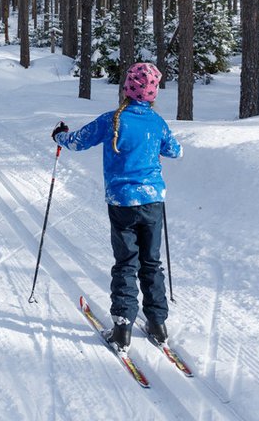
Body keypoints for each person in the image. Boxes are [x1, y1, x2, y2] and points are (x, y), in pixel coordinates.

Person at [51, 62, 182, 351]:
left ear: (127, 90)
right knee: (151, 262)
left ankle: (122, 329)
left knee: (126, 262)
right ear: (152, 94)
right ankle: (157, 325)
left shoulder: (113, 120)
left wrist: (59, 135)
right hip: (153, 202)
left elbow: (76, 142)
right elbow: (175, 150)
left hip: (123, 202)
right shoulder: (157, 123)